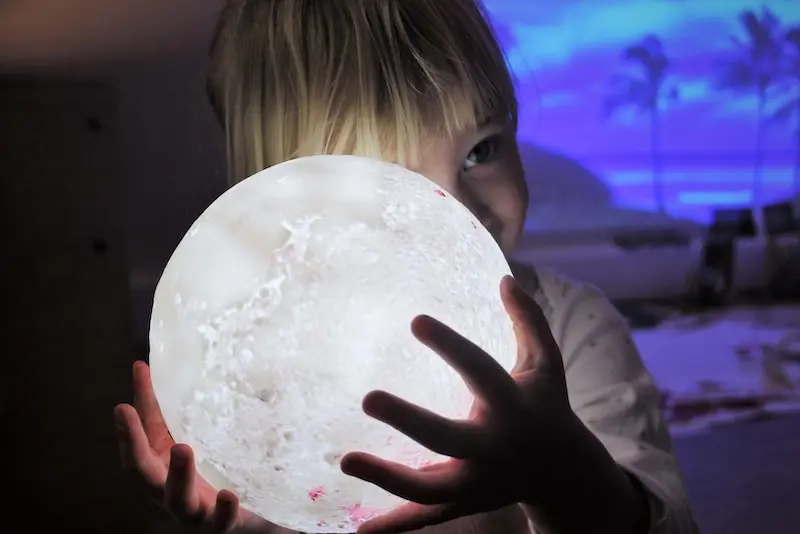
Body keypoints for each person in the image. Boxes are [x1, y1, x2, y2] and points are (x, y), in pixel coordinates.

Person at [114, 1, 698, 533]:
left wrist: (558, 472)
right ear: (282, 199)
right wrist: (254, 522)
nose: (459, 209)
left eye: (482, 150)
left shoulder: (571, 330)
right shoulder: (251, 370)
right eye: (392, 183)